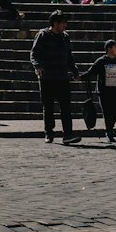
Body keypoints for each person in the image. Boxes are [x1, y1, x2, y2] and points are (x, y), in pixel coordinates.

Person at [30, 11, 82, 144]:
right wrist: (38, 66)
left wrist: (74, 71)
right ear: (55, 23)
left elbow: (69, 56)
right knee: (48, 107)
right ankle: (49, 132)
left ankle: (68, 134)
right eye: (63, 23)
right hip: (47, 77)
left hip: (62, 77)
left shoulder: (65, 37)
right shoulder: (43, 35)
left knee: (66, 107)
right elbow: (34, 53)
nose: (65, 25)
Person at [83, 38, 116, 144]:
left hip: (115, 91)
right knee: (107, 112)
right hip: (103, 91)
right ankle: (109, 132)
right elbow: (91, 72)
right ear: (108, 49)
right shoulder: (101, 61)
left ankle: (110, 128)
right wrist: (80, 77)